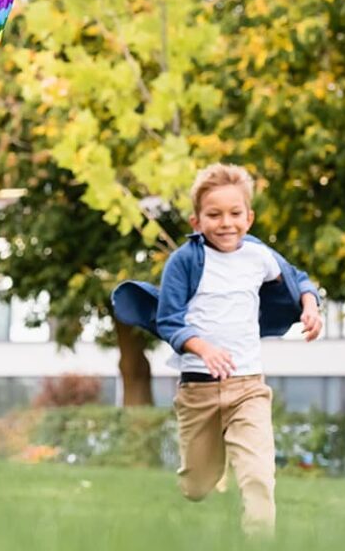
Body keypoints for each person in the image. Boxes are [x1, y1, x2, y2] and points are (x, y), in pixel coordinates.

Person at [110, 163, 323, 536]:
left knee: (258, 476)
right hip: (199, 389)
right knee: (196, 486)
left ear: (249, 217)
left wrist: (310, 305)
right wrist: (203, 348)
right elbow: (170, 320)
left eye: (235, 213)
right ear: (196, 221)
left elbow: (298, 279)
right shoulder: (185, 261)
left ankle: (260, 540)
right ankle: (215, 460)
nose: (226, 223)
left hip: (248, 386)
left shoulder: (259, 256)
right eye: (214, 214)